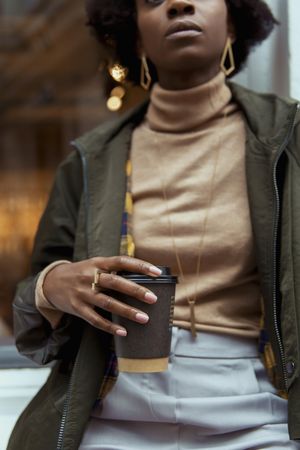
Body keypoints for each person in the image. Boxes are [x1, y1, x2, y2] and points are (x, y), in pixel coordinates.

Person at [7, 0, 300, 449]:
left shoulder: (290, 138)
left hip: (258, 409)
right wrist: (52, 285)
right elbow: (33, 303)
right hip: (114, 409)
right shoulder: (89, 161)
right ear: (136, 38)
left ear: (235, 25)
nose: (179, 3)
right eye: (153, 0)